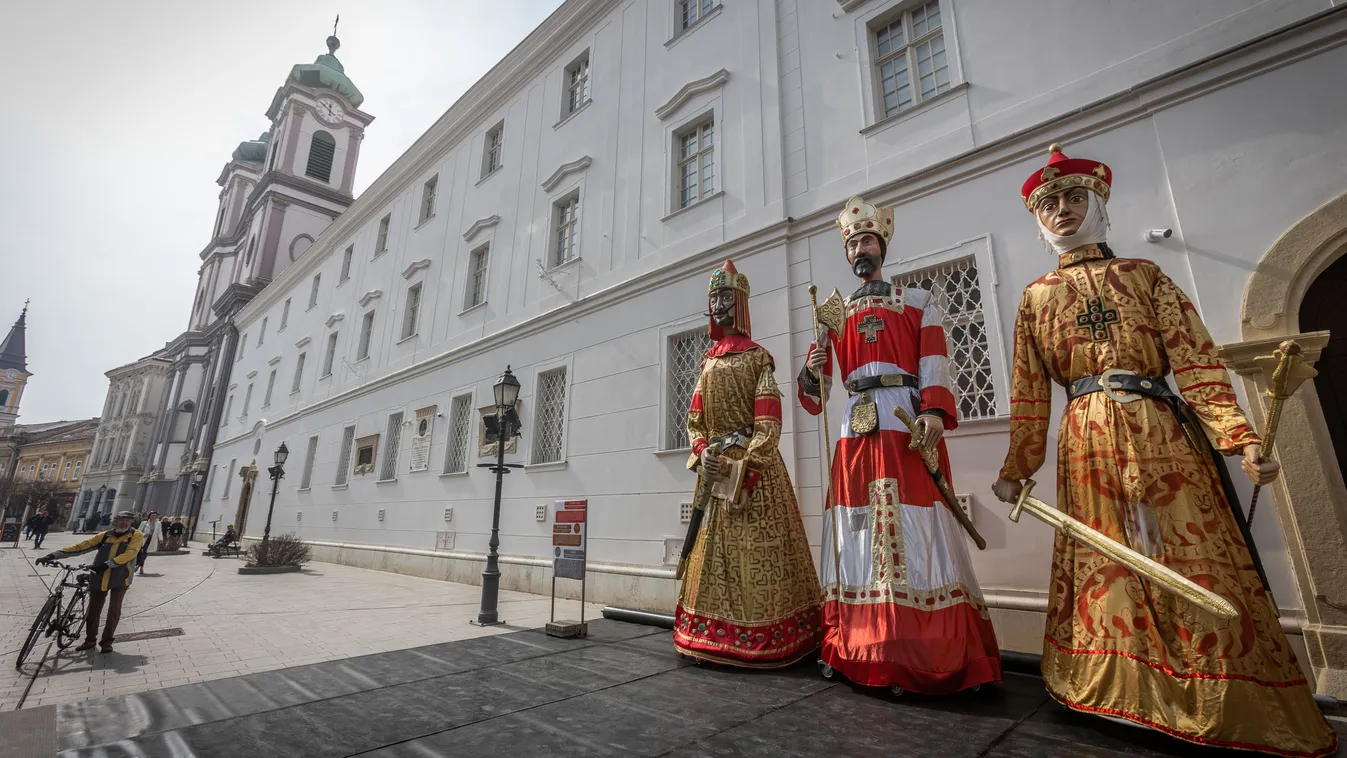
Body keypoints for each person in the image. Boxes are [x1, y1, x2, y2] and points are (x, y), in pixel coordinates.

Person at [992, 144, 1336, 757]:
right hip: (1085, 441)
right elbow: (1028, 393)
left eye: (1073, 198)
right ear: (1038, 221)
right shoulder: (1035, 298)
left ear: (1098, 204)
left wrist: (1240, 437)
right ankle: (1122, 691)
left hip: (1160, 432)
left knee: (1185, 551)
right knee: (1109, 558)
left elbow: (1196, 361)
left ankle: (1214, 691)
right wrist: (1017, 468)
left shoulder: (1144, 276)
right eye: (1049, 204)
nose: (1062, 211)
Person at [797, 197, 1000, 694]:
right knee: (857, 523)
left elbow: (933, 359)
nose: (859, 250)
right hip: (854, 426)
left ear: (882, 246)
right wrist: (812, 369)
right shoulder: (832, 313)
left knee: (918, 518)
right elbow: (816, 393)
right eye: (852, 244)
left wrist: (932, 411)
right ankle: (858, 640)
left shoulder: (918, 300)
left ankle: (924, 645)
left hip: (904, 416)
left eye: (866, 241)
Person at [674, 261, 822, 667]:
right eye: (713, 299)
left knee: (757, 556)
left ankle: (767, 636)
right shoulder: (707, 363)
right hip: (714, 472)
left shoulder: (759, 360)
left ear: (739, 302)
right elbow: (695, 418)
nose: (718, 305)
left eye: (725, 297)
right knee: (713, 556)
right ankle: (708, 635)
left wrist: (748, 469)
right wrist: (702, 450)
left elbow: (769, 422)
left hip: (752, 477)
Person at [38, 510, 144, 653]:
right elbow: (82, 546)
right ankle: (90, 640)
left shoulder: (136, 535)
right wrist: (53, 555)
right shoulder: (105, 535)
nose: (124, 523)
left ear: (131, 522)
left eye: (127, 520)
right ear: (115, 521)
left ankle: (107, 642)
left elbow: (130, 553)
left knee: (114, 611)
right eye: (121, 520)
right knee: (93, 611)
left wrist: (107, 565)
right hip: (99, 577)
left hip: (121, 578)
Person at [136, 511, 159, 575]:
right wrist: (144, 534)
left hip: (152, 540)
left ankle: (139, 566)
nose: (153, 516)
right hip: (144, 539)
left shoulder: (158, 523)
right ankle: (140, 567)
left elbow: (159, 532)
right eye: (152, 515)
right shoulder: (144, 523)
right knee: (142, 553)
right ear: (149, 516)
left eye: (155, 515)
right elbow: (138, 531)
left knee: (145, 554)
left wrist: (161, 539)